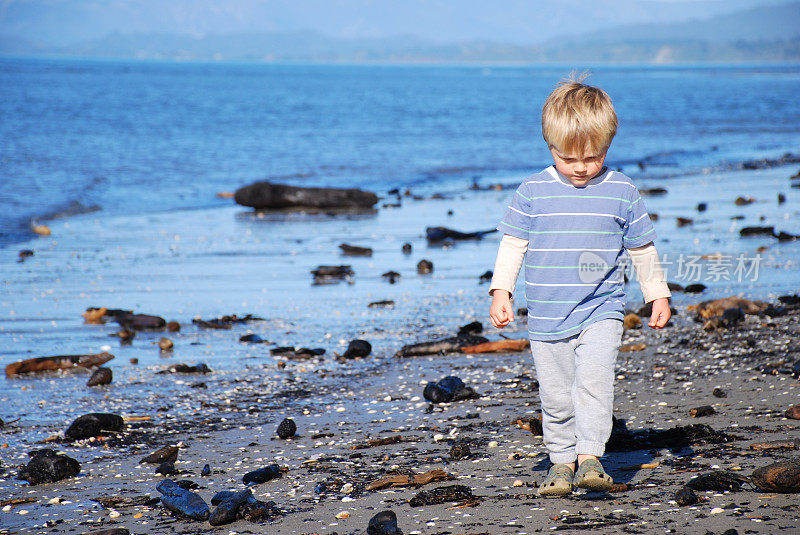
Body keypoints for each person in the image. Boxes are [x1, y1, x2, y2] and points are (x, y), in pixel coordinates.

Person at [488, 75, 672, 497]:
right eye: (567, 157)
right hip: (547, 313)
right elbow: (513, 245)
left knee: (593, 381)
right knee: (555, 395)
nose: (580, 167)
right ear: (549, 146)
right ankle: (559, 462)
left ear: (607, 146)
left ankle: (590, 457)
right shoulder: (532, 191)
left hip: (601, 308)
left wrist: (655, 293)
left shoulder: (622, 190)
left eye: (592, 157)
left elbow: (641, 247)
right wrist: (502, 291)